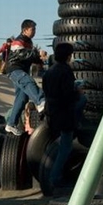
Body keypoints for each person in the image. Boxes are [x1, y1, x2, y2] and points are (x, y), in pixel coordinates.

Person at [42, 42, 86, 190]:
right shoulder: (66, 71)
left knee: (63, 145)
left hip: (52, 113)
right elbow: (67, 96)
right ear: (69, 56)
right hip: (65, 114)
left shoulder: (49, 71)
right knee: (65, 149)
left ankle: (54, 177)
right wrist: (77, 92)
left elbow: (48, 92)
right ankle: (55, 178)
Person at [5, 19, 46, 136]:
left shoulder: (29, 42)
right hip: (15, 69)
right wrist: (37, 54)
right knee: (29, 82)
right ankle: (41, 102)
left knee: (22, 98)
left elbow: (31, 57)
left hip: (22, 70)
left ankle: (11, 124)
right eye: (32, 29)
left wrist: (40, 60)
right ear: (25, 30)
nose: (34, 32)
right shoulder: (18, 41)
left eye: (35, 29)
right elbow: (22, 54)